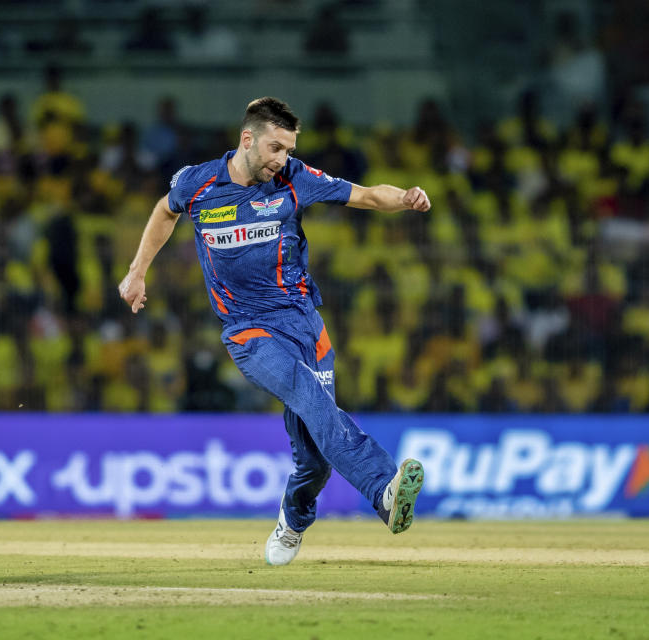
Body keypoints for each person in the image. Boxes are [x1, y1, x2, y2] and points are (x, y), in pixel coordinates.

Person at [118, 97, 428, 565]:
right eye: (275, 148)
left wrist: (405, 198)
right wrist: (138, 270)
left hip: (305, 324)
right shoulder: (197, 182)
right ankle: (383, 488)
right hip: (248, 331)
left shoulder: (294, 179)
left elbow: (365, 195)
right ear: (248, 140)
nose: (282, 159)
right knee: (310, 395)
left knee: (314, 457)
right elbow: (165, 211)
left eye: (288, 149)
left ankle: (292, 520)